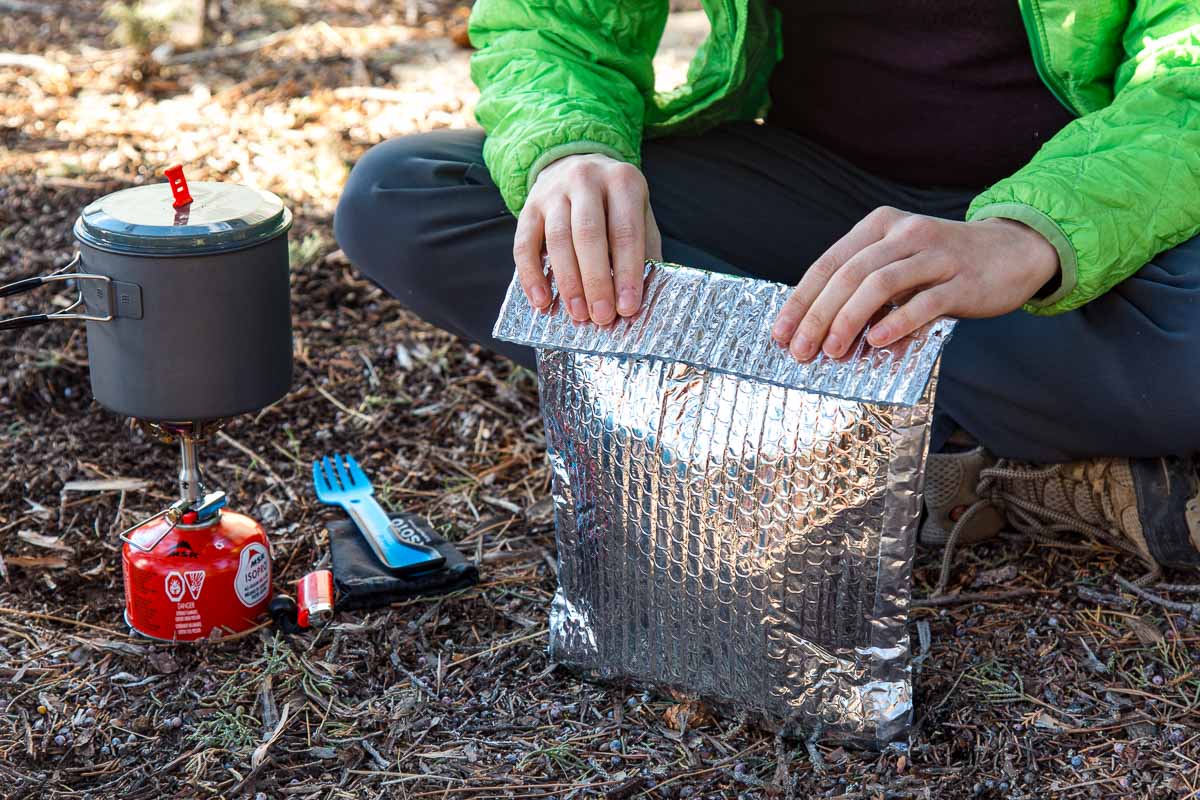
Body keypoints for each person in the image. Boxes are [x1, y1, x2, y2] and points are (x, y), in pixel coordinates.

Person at [334, 1, 1200, 584]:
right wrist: (570, 151)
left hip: (1070, 224)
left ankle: (831, 415)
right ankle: (963, 433)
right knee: (406, 198)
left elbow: (1184, 76)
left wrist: (1032, 235)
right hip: (812, 205)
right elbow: (555, 22)